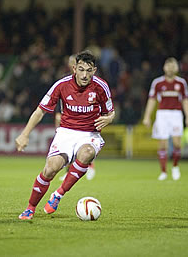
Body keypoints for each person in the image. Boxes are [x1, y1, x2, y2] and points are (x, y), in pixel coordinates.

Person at [15, 50, 115, 220]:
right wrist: (25, 134)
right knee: (51, 168)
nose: (84, 75)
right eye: (81, 69)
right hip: (66, 133)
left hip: (90, 134)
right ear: (74, 68)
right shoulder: (61, 85)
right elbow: (40, 111)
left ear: (94, 70)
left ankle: (58, 194)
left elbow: (111, 112)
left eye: (88, 70)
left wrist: (109, 119)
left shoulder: (101, 86)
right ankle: (30, 208)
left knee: (87, 153)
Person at [142, 57, 188, 181]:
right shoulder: (157, 83)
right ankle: (163, 171)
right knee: (163, 144)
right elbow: (152, 99)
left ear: (176, 68)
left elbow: (185, 100)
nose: (170, 68)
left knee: (176, 143)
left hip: (176, 114)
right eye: (168, 65)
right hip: (162, 115)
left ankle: (175, 166)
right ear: (164, 67)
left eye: (173, 65)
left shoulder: (181, 83)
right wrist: (147, 117)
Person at [56, 54, 96, 181]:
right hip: (67, 117)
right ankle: (69, 172)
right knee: (68, 149)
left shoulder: (91, 83)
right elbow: (59, 100)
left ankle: (90, 167)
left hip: (85, 121)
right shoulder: (64, 81)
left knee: (85, 148)